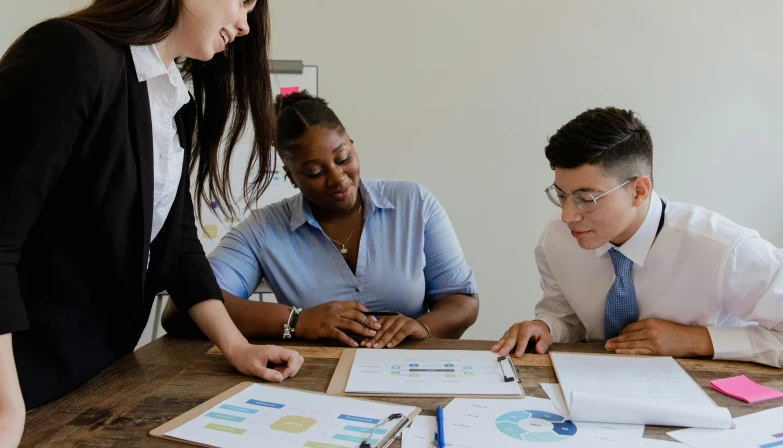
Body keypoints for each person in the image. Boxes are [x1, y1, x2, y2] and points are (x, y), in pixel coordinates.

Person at [0, 0, 305, 442]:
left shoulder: (170, 104)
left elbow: (177, 243)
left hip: (102, 376)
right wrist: (6, 405)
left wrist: (236, 347)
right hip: (22, 378)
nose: (246, 25)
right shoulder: (69, 54)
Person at [163, 90, 480, 348]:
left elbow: (463, 300)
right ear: (291, 176)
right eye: (315, 172)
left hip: (408, 372)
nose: (338, 178)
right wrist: (297, 321)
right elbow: (180, 310)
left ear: (352, 145)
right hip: (312, 381)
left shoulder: (414, 203)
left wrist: (423, 327)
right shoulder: (264, 229)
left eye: (343, 158)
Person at [493, 107, 783, 367]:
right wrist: (546, 327)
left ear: (639, 190)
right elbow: (568, 318)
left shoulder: (723, 249)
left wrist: (698, 341)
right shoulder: (557, 237)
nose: (568, 215)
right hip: (589, 389)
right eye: (561, 195)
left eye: (586, 198)